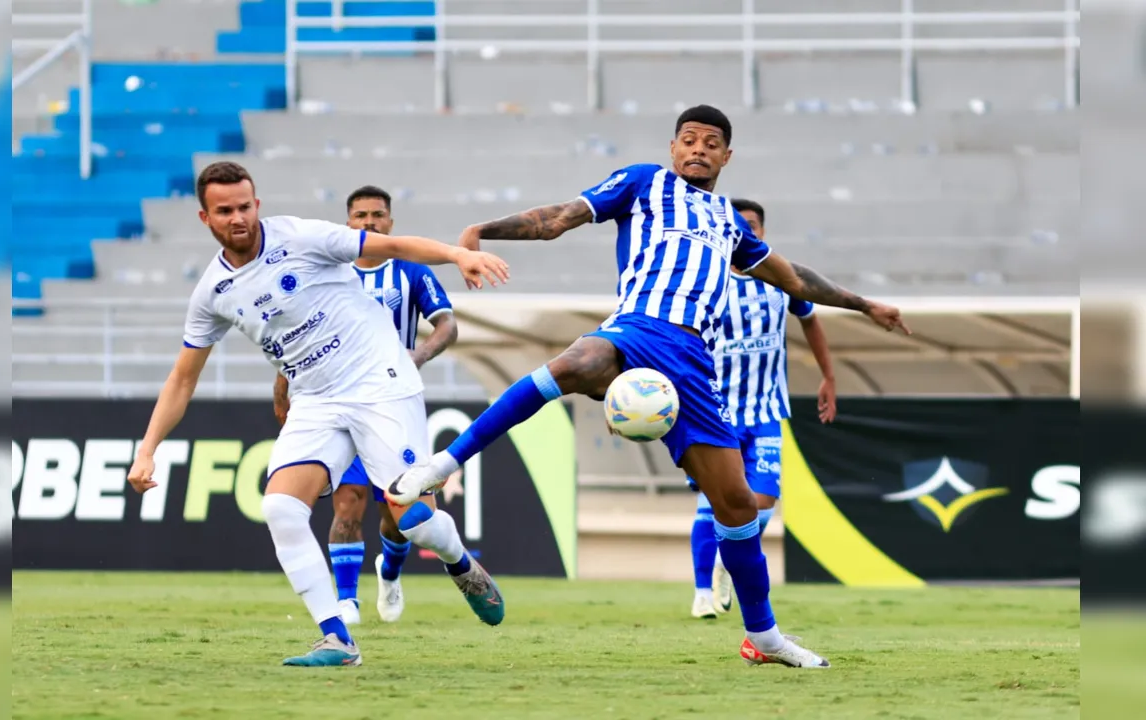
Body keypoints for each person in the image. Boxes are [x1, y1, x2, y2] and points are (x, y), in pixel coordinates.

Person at [388, 105, 911, 669]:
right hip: (636, 330)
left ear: (726, 157)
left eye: (711, 143)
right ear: (672, 147)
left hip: (692, 364)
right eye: (689, 140)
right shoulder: (643, 183)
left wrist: (863, 304)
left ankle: (764, 638)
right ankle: (442, 465)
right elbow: (562, 216)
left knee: (736, 507)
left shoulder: (729, 225)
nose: (699, 149)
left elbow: (792, 278)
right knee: (577, 359)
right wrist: (481, 232)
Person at [125, 161, 507, 668]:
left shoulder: (302, 237)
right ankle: (338, 639)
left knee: (410, 518)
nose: (237, 218)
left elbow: (391, 247)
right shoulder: (212, 292)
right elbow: (183, 378)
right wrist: (147, 449)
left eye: (244, 206)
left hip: (380, 382)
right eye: (225, 211)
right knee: (281, 509)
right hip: (316, 401)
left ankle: (460, 561)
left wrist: (457, 254)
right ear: (205, 218)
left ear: (256, 204)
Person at [273, 185, 459, 626]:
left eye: (377, 215)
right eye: (360, 215)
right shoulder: (327, 272)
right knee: (347, 502)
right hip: (336, 401)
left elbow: (447, 325)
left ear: (390, 223)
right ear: (347, 222)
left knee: (399, 515)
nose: (368, 222)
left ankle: (390, 572)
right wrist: (282, 388)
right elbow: (301, 335)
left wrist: (419, 354)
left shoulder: (410, 272)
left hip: (391, 404)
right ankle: (346, 601)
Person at [689, 198, 838, 620]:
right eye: (739, 227)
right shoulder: (704, 277)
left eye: (752, 227)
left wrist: (829, 375)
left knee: (764, 501)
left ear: (762, 232)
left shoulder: (779, 279)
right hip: (714, 410)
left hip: (767, 409)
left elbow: (810, 317)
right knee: (711, 503)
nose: (746, 233)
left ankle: (724, 561)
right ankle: (703, 591)